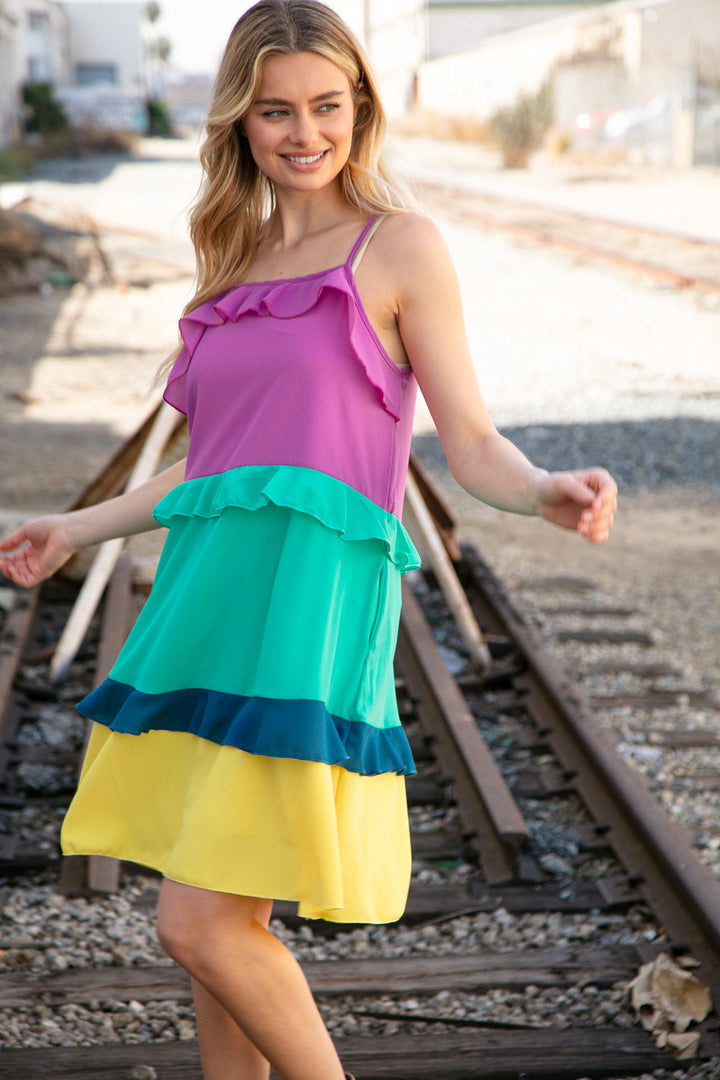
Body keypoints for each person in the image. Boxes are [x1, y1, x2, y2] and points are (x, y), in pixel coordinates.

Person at [0, 2, 617, 1078]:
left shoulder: (400, 247)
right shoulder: (233, 269)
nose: (303, 132)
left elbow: (468, 440)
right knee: (222, 938)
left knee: (197, 924)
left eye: (327, 106)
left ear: (360, 109)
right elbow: (217, 467)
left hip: (311, 612)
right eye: (275, 109)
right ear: (239, 119)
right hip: (210, 601)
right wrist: (72, 529)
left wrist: (541, 489)